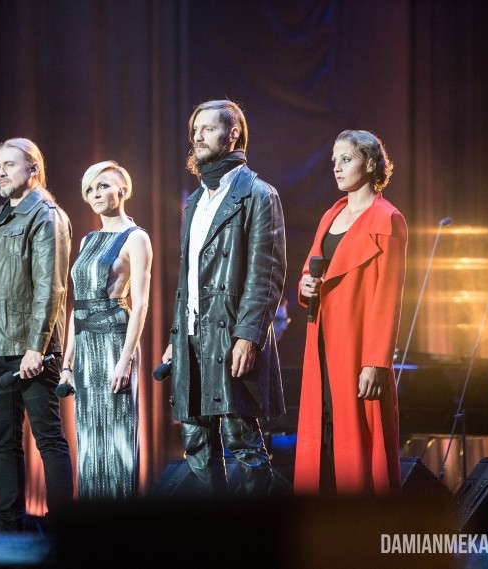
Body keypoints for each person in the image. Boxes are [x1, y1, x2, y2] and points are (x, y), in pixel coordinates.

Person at [162, 99, 287, 496]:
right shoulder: (195, 200)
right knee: (196, 445)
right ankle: (214, 538)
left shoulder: (258, 194)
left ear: (232, 133)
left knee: (242, 441)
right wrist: (174, 338)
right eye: (194, 130)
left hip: (230, 333)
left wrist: (249, 335)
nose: (197, 136)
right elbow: (188, 279)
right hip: (192, 335)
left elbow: (266, 273)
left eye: (207, 128)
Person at [0, 137, 73, 532]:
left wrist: (35, 347)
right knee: (3, 443)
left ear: (34, 169)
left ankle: (63, 530)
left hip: (30, 350)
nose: (1, 170)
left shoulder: (46, 215)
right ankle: (7, 530)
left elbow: (51, 287)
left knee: (48, 439)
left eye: (10, 163)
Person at [293, 130, 407, 496]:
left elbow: (389, 297)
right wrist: (303, 286)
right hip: (322, 339)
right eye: (334, 162)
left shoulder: (387, 220)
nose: (337, 168)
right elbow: (313, 269)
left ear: (370, 163)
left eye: (346, 159)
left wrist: (376, 361)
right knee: (322, 427)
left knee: (360, 439)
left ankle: (363, 532)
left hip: (358, 345)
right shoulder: (332, 213)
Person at [58, 160, 152, 500]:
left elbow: (140, 304)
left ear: (122, 190)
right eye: (91, 189)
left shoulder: (136, 238)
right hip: (85, 346)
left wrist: (125, 361)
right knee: (89, 440)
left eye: (104, 186)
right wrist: (67, 364)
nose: (97, 194)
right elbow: (76, 306)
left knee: (117, 439)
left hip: (115, 341)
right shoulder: (87, 240)